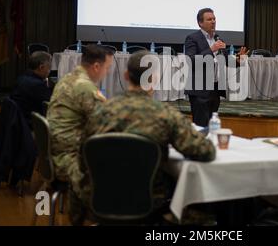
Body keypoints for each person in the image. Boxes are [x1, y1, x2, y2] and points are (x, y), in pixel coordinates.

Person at [72, 51, 216, 224]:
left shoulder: (100, 111)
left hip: (98, 200)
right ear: (154, 79)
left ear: (126, 76)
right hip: (150, 203)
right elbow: (205, 151)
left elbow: (82, 160)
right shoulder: (165, 114)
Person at [47, 44, 113, 184]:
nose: (107, 72)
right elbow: (108, 123)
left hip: (57, 154)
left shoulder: (67, 79)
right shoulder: (85, 87)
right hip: (71, 160)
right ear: (96, 67)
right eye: (107, 68)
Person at [184, 8, 248, 126]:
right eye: (209, 19)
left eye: (214, 19)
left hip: (215, 89)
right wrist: (211, 49)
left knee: (212, 125)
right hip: (200, 90)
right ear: (200, 23)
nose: (213, 21)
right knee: (201, 126)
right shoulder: (192, 38)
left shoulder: (218, 39)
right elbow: (190, 61)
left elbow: (224, 60)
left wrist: (238, 60)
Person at [10, 51, 52, 126]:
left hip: (17, 121)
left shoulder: (21, 78)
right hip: (30, 125)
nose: (49, 72)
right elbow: (50, 104)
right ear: (41, 67)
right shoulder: (38, 85)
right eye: (49, 68)